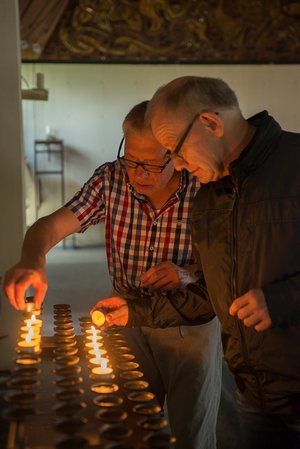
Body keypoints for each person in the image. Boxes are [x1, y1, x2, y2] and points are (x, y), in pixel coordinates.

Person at [90, 77, 300, 449]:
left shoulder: (294, 164)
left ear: (211, 123)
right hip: (255, 396)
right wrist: (133, 312)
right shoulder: (209, 199)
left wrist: (282, 299)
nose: (178, 166)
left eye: (175, 150)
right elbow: (207, 296)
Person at [4, 100, 222, 449]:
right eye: (132, 160)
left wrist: (186, 272)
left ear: (177, 154)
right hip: (125, 316)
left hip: (187, 325)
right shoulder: (111, 180)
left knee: (190, 433)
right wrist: (33, 259)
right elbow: (51, 225)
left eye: (152, 163)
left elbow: (228, 266)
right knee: (129, 427)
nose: (140, 175)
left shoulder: (204, 189)